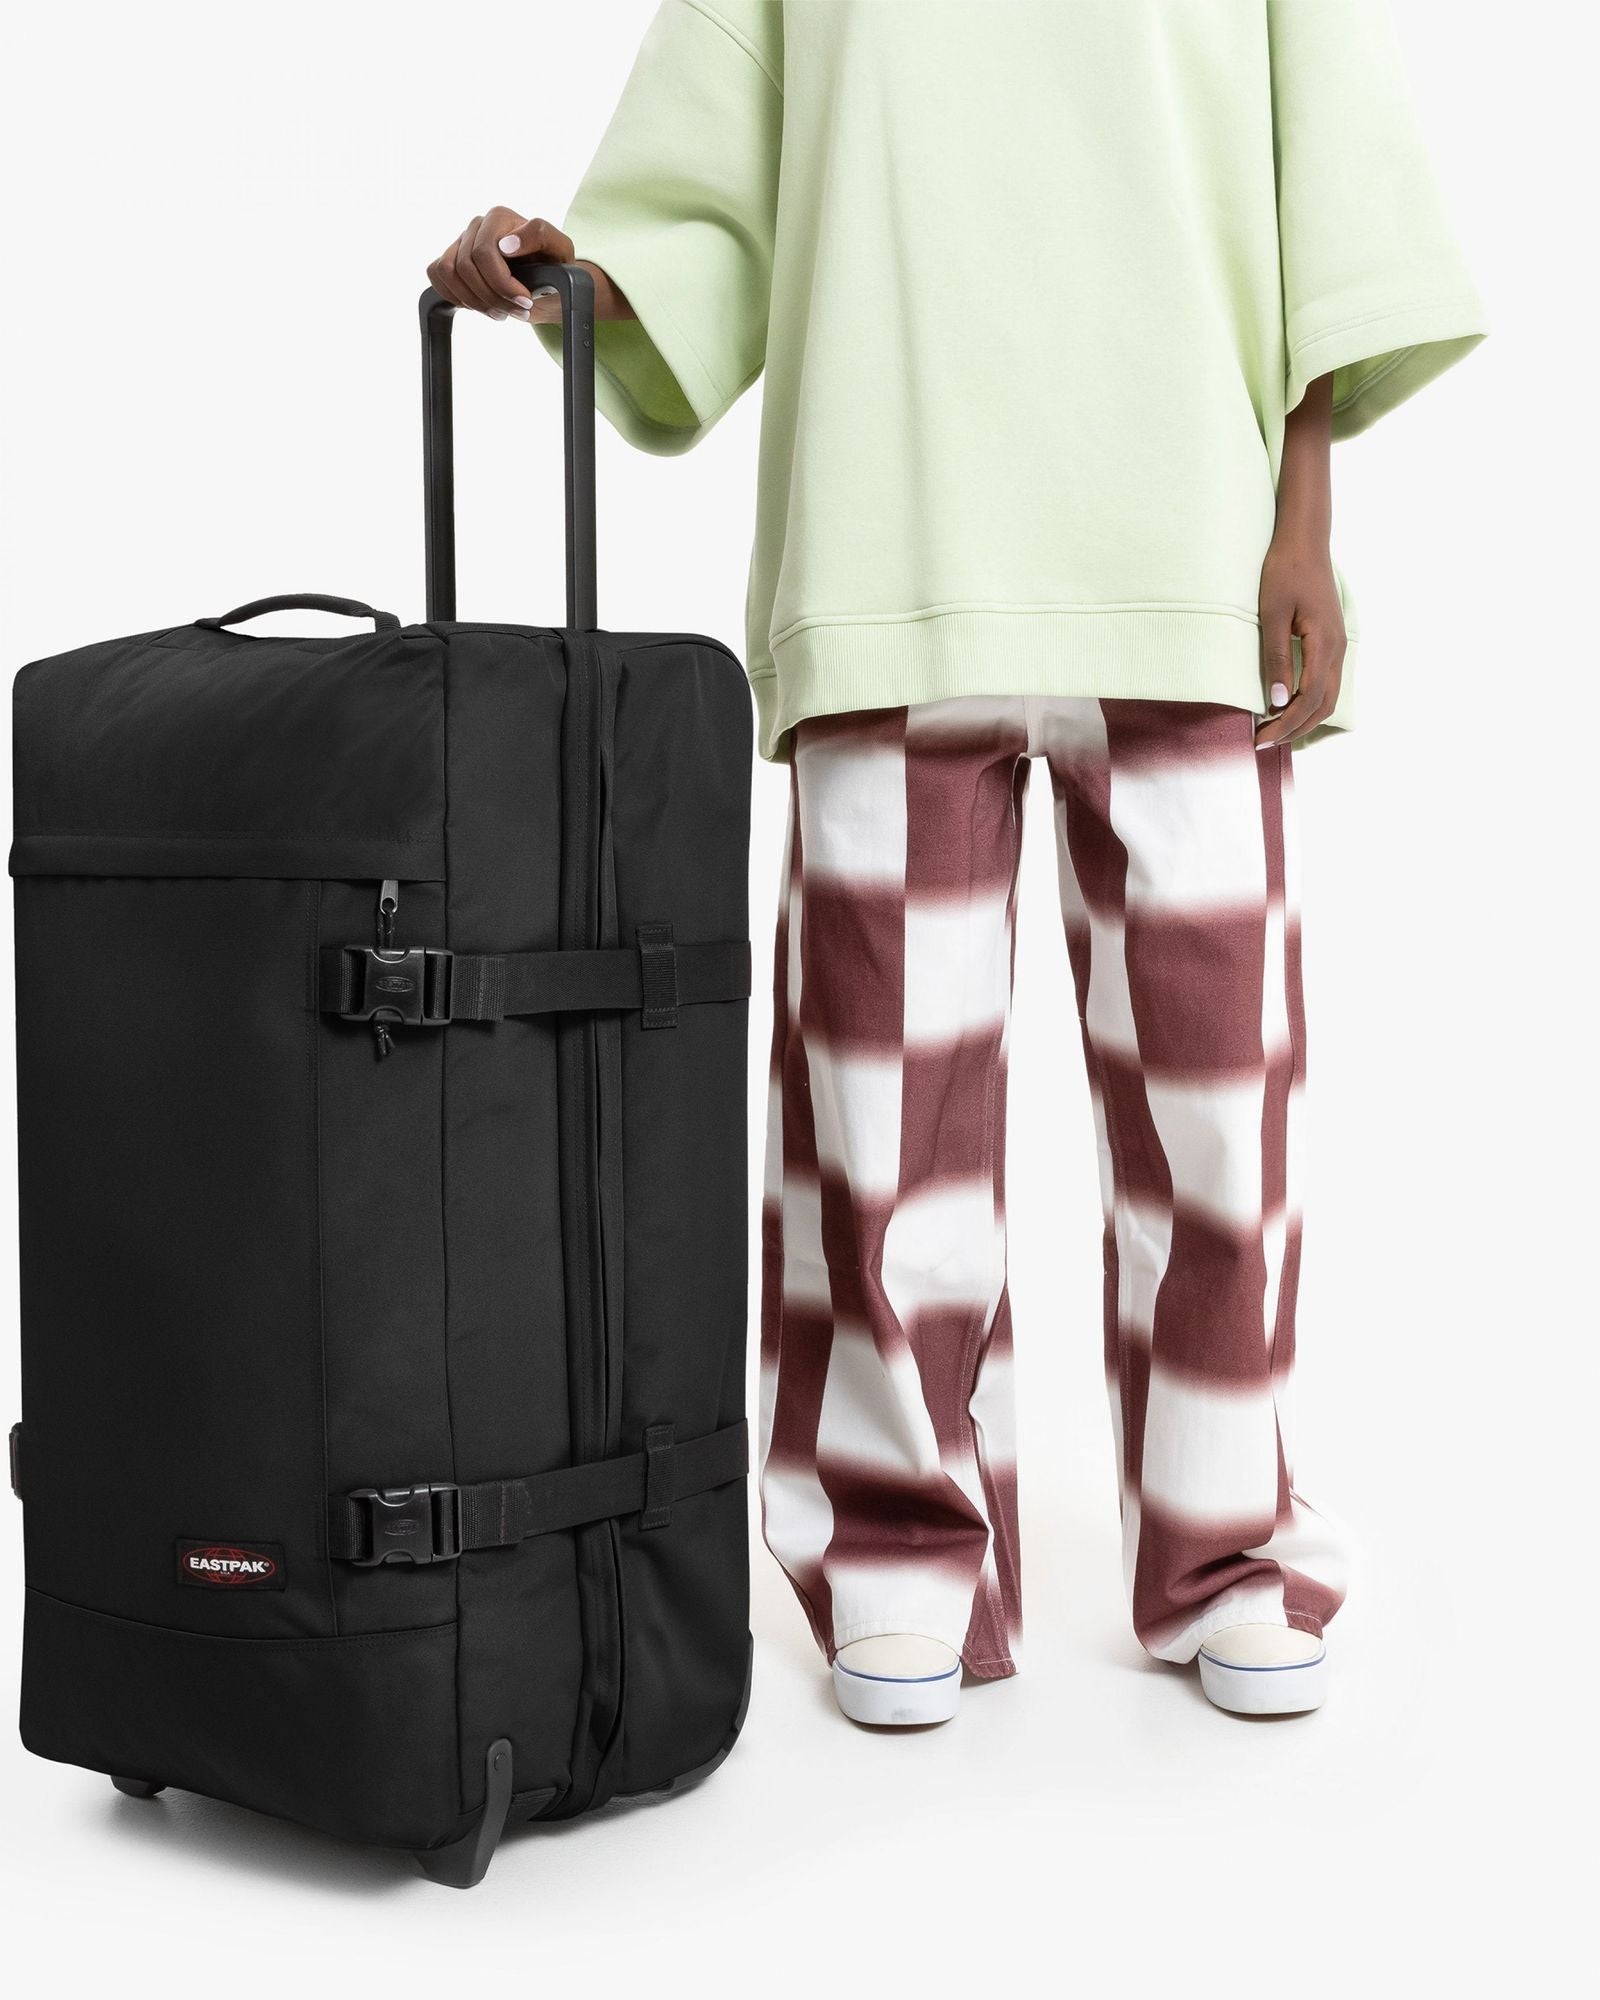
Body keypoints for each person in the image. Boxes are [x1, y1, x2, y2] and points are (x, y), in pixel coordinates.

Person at [427, 0, 1483, 1726]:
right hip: (887, 528)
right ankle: (899, 1555)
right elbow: (712, 192)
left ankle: (1229, 1549)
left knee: (1218, 1122)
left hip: (1187, 538)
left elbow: (1331, 192)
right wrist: (576, 282)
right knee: (878, 1129)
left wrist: (1307, 522)